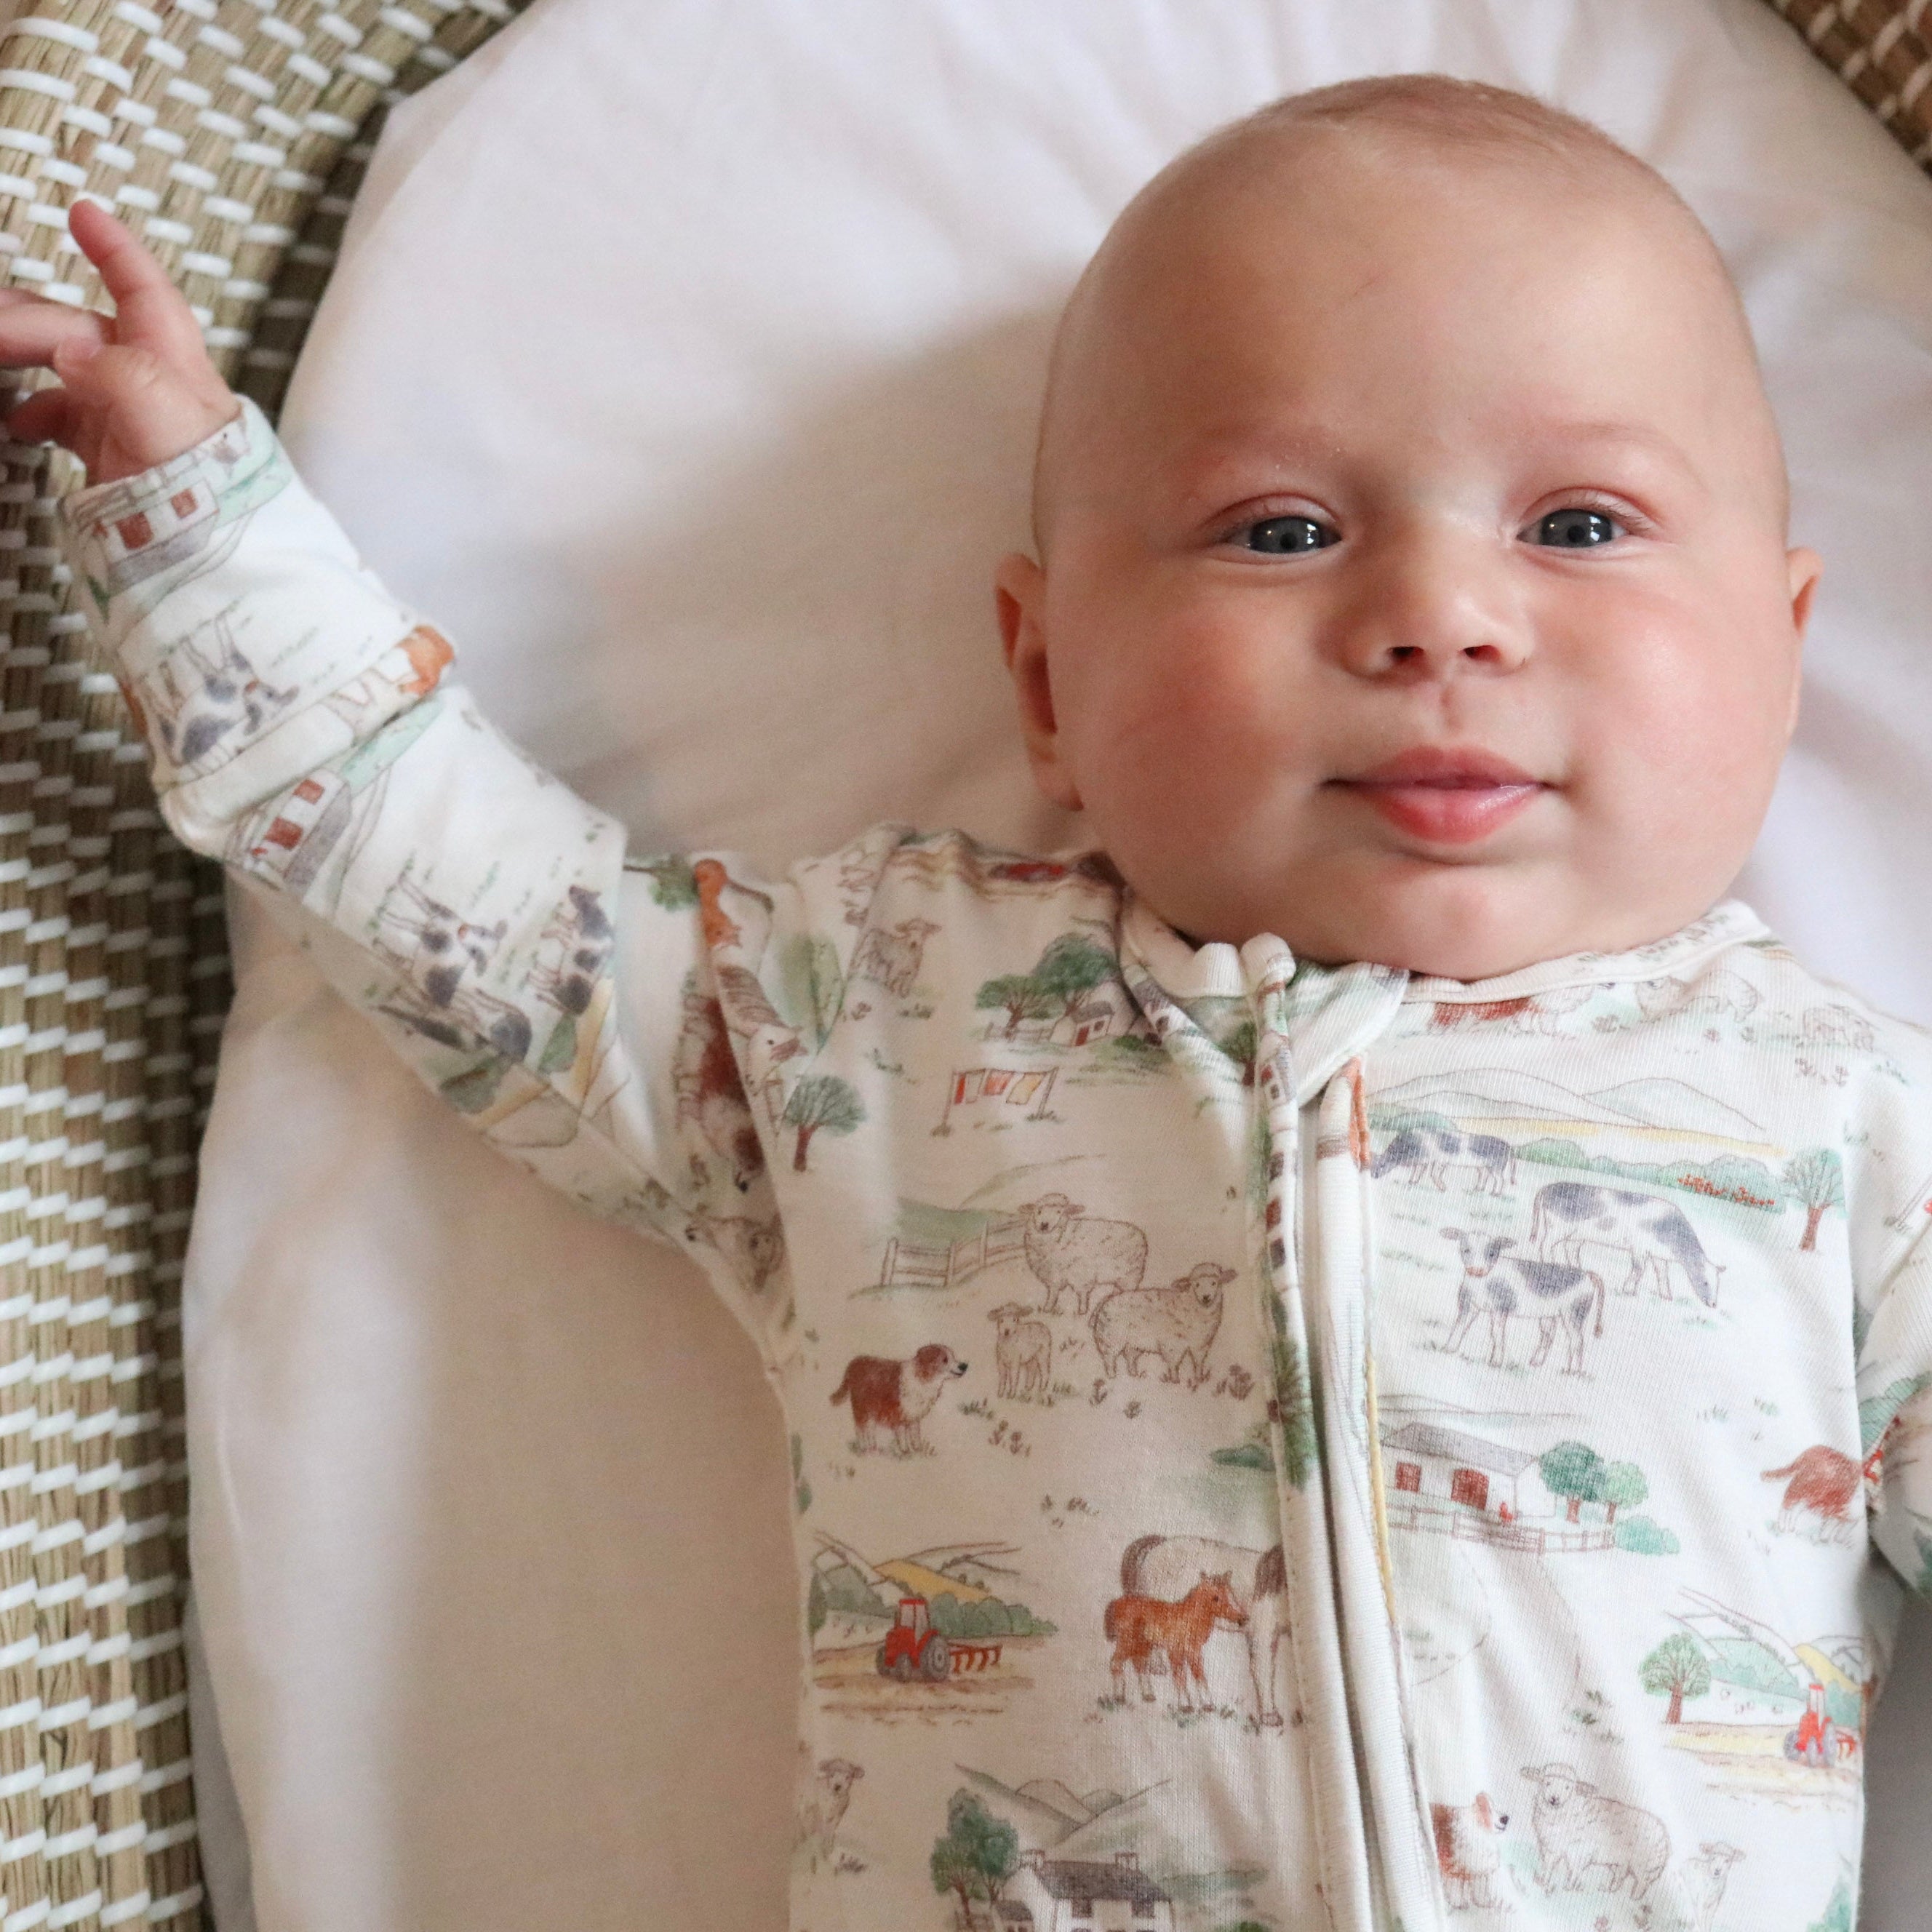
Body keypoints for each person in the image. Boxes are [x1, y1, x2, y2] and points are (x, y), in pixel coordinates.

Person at [3, 71, 1920, 1932]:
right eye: (1281, 528)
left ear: (1784, 644)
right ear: (1048, 682)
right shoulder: (884, 1019)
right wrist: (193, 518)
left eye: (1579, 524)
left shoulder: (1834, 1117)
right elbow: (475, 914)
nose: (1440, 614)